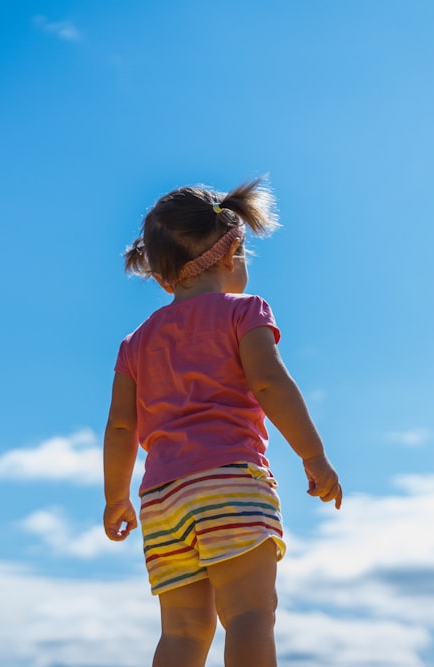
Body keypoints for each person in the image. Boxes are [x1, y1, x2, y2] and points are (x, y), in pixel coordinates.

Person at [102, 177, 342, 667]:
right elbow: (271, 385)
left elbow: (122, 429)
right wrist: (313, 456)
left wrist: (115, 497)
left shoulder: (135, 343)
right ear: (231, 257)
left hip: (162, 501)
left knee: (184, 633)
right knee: (251, 613)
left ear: (164, 275)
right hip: (229, 479)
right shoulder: (244, 313)